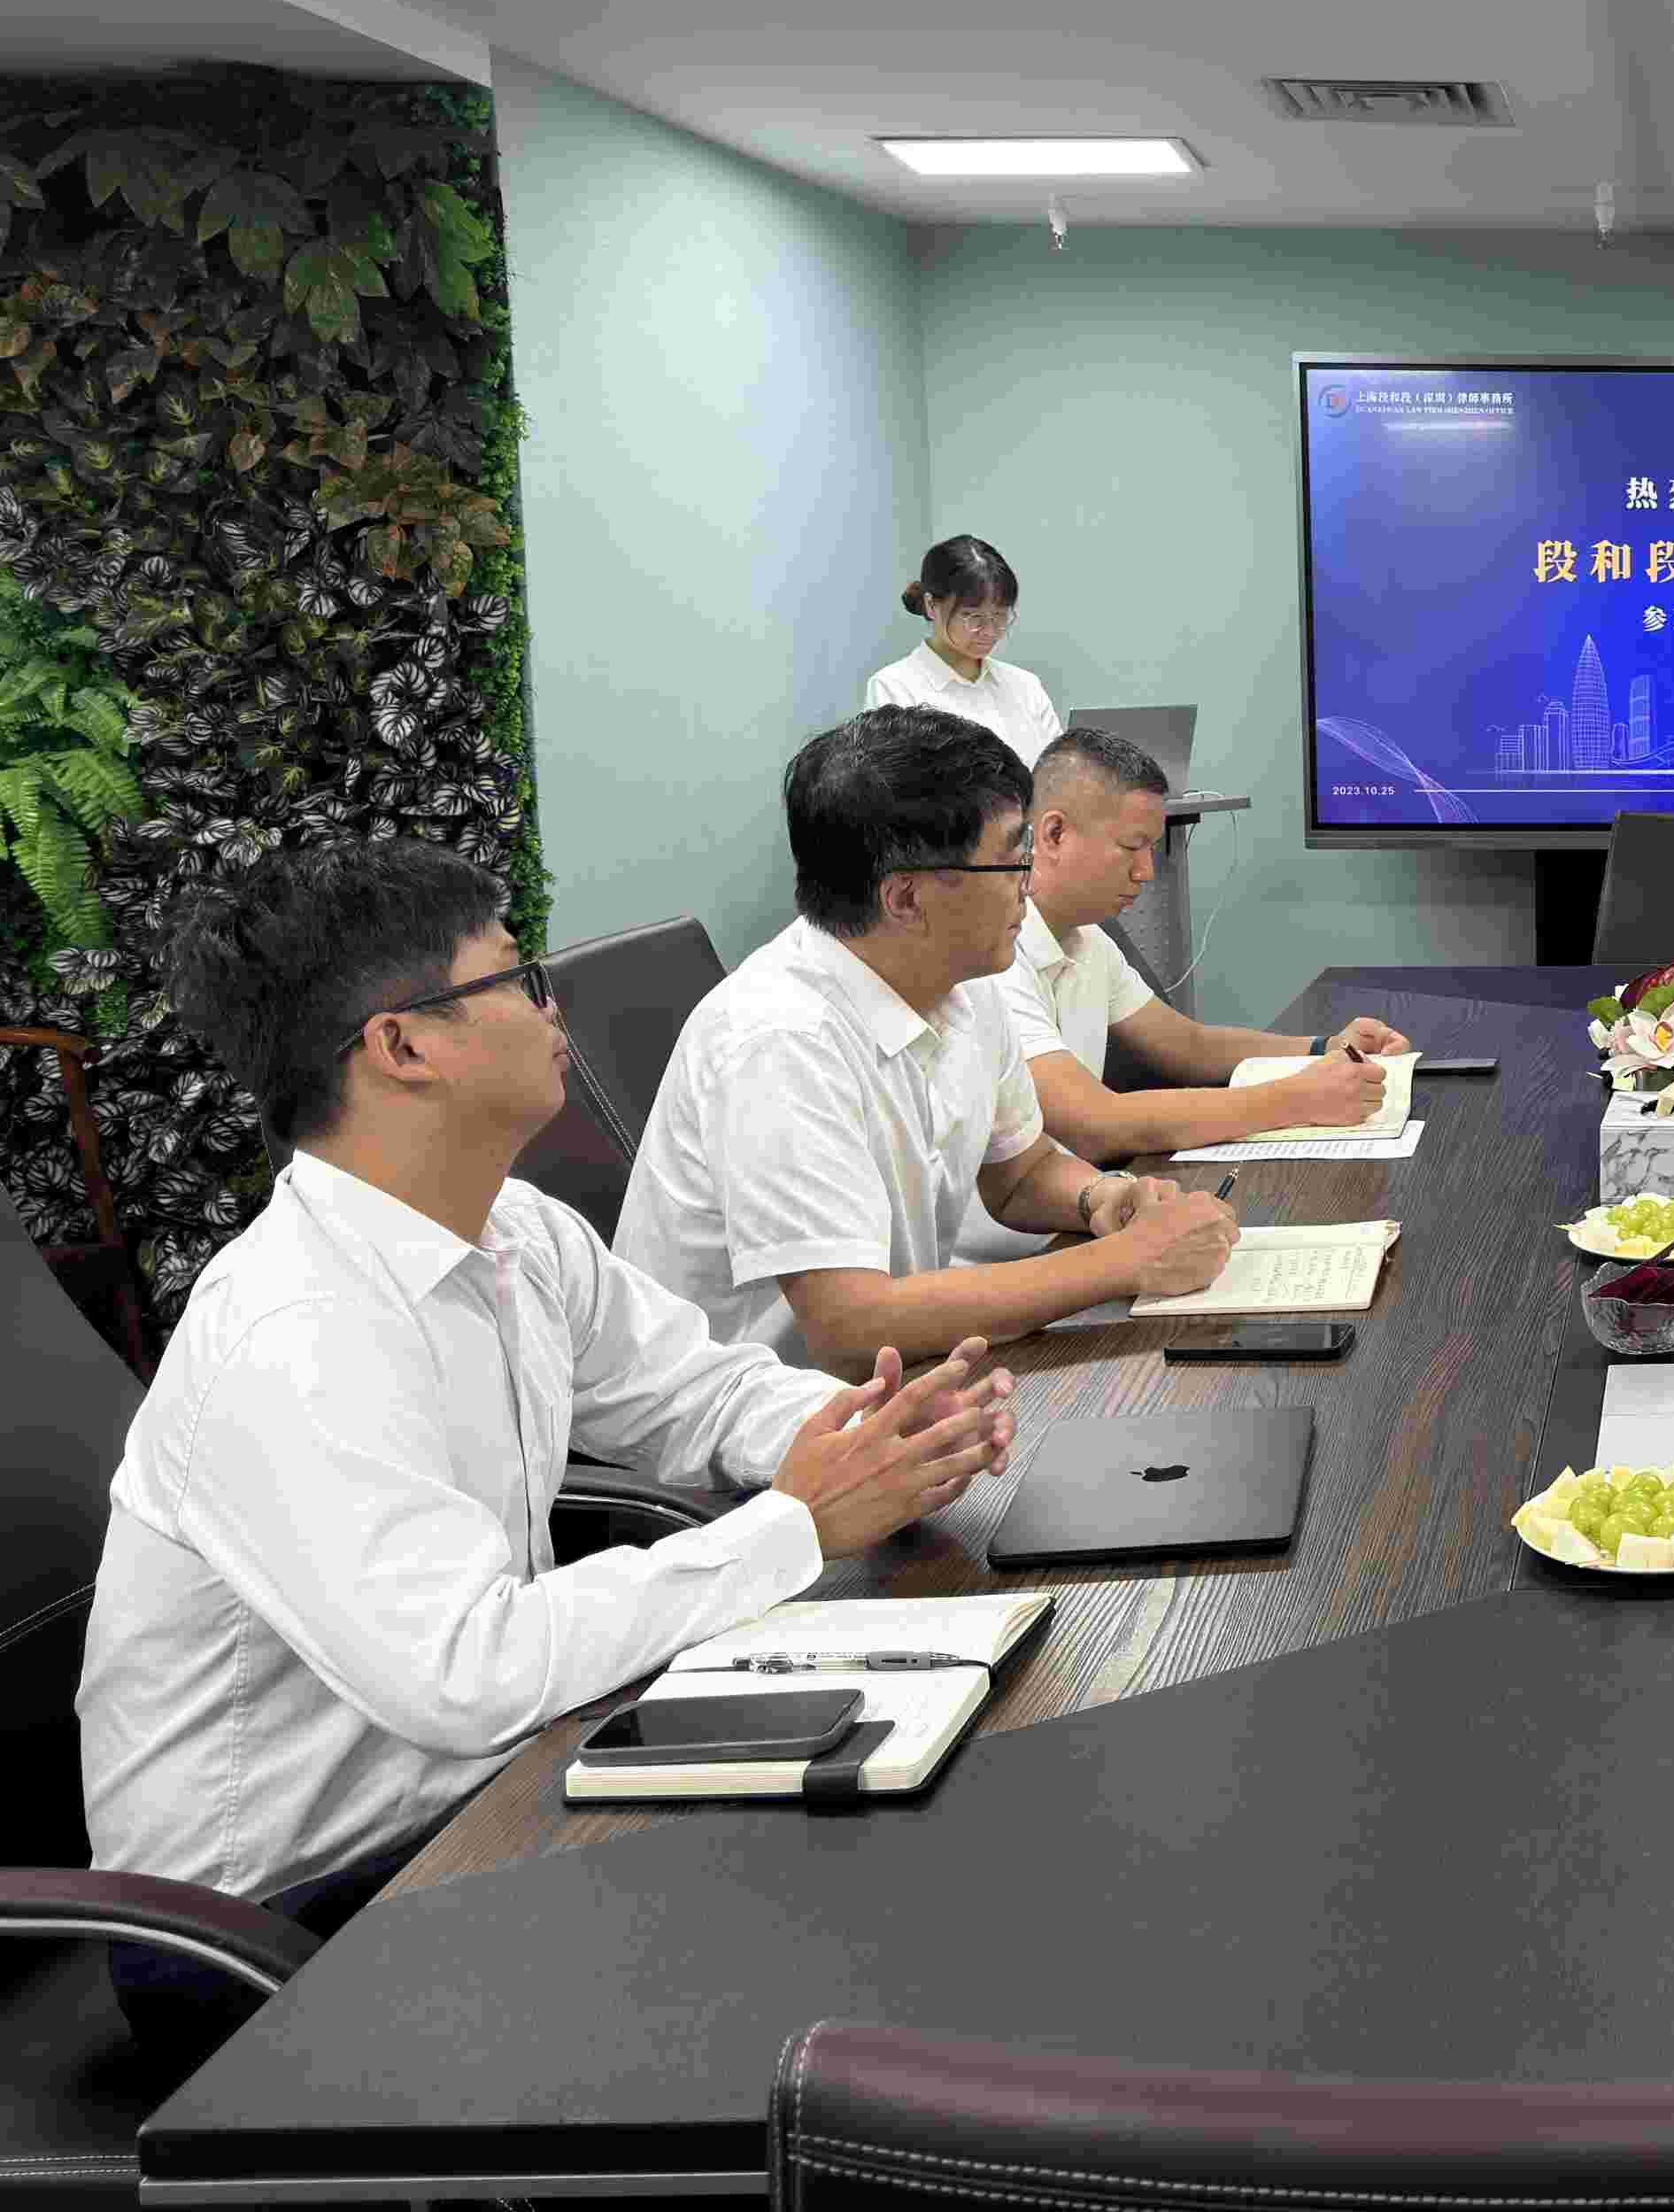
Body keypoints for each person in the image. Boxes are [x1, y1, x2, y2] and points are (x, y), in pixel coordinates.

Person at [79, 839, 1020, 2074]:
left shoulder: (510, 1225)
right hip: (265, 1934)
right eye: (518, 983)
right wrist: (796, 1523)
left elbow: (694, 1388)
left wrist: (861, 1435)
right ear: (403, 1046)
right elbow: (467, 1674)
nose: (551, 1006)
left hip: (476, 1801)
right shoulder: (292, 1334)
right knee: (827, 1936)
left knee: (919, 1810)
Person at [616, 708, 1238, 1362]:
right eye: (1011, 858)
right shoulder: (778, 1040)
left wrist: (1101, 1199)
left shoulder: (966, 983)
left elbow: (1020, 1173)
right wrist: (1128, 1262)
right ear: (905, 899)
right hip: (751, 1431)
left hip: (893, 1386)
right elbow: (853, 1328)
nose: (1030, 882)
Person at [1005, 725, 1411, 1158]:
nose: (1146, 872)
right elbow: (1094, 1122)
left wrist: (1321, 1048)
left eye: (1151, 849)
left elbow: (1188, 1045)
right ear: (1053, 835)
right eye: (1132, 847)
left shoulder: (1087, 938)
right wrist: (1298, 1098)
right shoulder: (995, 955)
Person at [864, 533, 1062, 769]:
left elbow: (1057, 776)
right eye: (973, 616)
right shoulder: (894, 689)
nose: (990, 630)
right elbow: (893, 792)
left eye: (999, 616)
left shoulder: (1025, 686)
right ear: (931, 606)